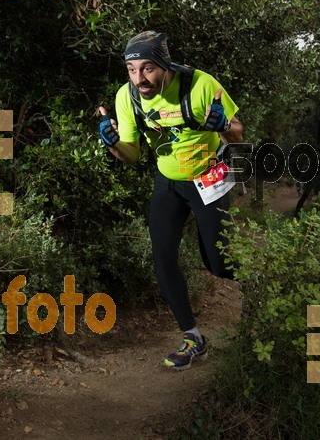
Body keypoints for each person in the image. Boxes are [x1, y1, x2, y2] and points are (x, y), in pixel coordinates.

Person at [97, 31, 243, 371]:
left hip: (210, 177)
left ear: (163, 64)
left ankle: (254, 281)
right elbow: (131, 155)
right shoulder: (127, 96)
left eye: (147, 68)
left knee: (218, 264)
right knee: (162, 258)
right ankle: (193, 338)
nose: (139, 78)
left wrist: (223, 126)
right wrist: (112, 144)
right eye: (131, 69)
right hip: (169, 181)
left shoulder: (201, 85)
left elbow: (238, 133)